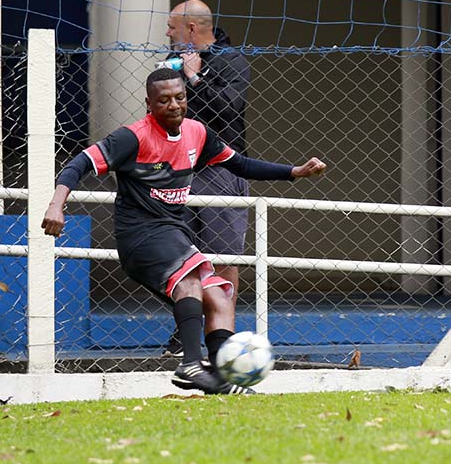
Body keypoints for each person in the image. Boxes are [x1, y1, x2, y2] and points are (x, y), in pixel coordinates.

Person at [42, 67, 326, 394]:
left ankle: (223, 378)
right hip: (140, 237)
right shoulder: (132, 137)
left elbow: (241, 165)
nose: (174, 105)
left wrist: (294, 171)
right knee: (189, 279)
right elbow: (79, 163)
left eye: (180, 97)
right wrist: (56, 205)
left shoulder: (197, 133)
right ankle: (191, 364)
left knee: (220, 298)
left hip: (173, 234)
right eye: (164, 100)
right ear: (149, 104)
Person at [161, 0, 251, 356]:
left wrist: (195, 78)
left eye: (172, 27)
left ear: (191, 28)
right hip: (179, 170)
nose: (167, 32)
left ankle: (222, 334)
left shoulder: (231, 61)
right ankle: (187, 331)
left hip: (220, 170)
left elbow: (229, 108)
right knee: (182, 257)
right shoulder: (173, 63)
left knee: (223, 256)